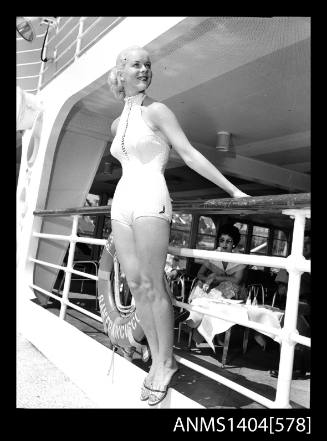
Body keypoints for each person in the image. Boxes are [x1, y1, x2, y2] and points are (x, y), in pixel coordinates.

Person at [106, 45, 249, 406]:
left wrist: (233, 190)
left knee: (154, 282)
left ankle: (166, 363)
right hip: (121, 201)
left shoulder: (158, 110)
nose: (144, 70)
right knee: (136, 283)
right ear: (120, 71)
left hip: (151, 195)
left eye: (148, 65)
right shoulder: (115, 123)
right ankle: (156, 358)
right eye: (136, 64)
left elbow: (189, 153)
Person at [269, 232, 311, 378]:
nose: (304, 247)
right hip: (295, 301)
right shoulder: (290, 261)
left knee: (293, 312)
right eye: (301, 243)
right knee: (290, 312)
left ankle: (295, 367)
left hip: (306, 302)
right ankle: (291, 366)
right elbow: (281, 291)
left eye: (308, 243)